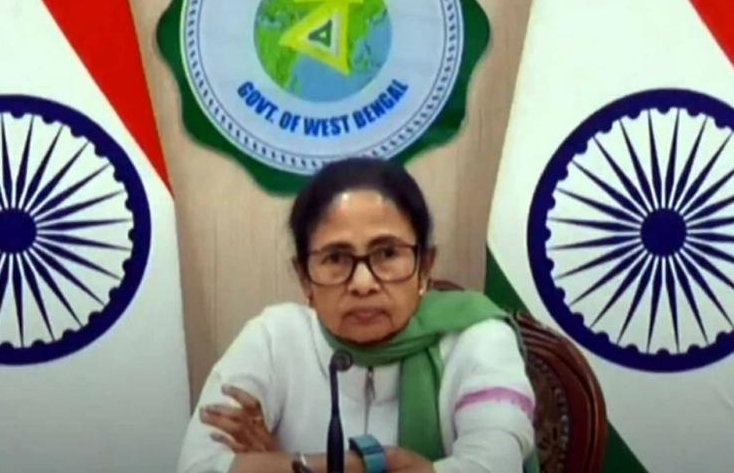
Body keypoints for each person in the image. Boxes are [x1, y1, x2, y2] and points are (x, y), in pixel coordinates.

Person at [177, 158, 535, 473]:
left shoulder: (477, 337)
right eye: (335, 258)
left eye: (388, 254)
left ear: (425, 266)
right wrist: (367, 464)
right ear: (304, 277)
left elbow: (494, 466)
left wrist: (286, 463)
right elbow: (197, 467)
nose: (363, 283)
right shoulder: (274, 338)